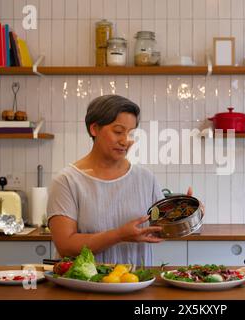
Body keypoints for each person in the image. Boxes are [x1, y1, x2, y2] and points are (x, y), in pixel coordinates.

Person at [47, 95, 195, 265]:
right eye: (118, 131)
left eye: (130, 133)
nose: (125, 141)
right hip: (83, 286)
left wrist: (188, 213)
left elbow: (161, 229)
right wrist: (119, 235)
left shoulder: (145, 178)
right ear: (94, 129)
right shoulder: (67, 181)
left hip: (135, 282)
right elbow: (65, 245)